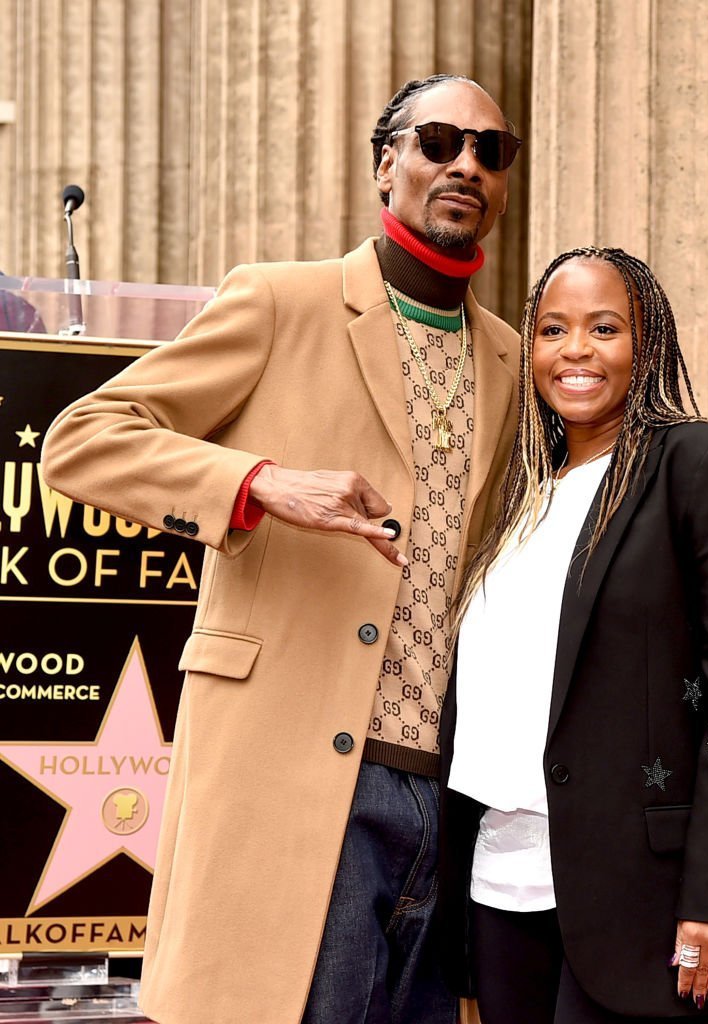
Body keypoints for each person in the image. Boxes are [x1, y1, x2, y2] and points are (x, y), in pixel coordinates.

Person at [41, 74, 522, 1024]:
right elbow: (84, 438)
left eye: (488, 151)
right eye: (437, 141)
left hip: (445, 792)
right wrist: (259, 482)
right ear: (386, 163)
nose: (464, 164)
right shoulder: (278, 301)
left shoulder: (509, 355)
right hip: (294, 770)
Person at [439, 247, 708, 1024]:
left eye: (605, 328)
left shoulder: (703, 464)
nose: (574, 351)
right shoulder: (517, 497)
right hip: (501, 883)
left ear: (649, 343)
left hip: (646, 897)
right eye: (552, 329)